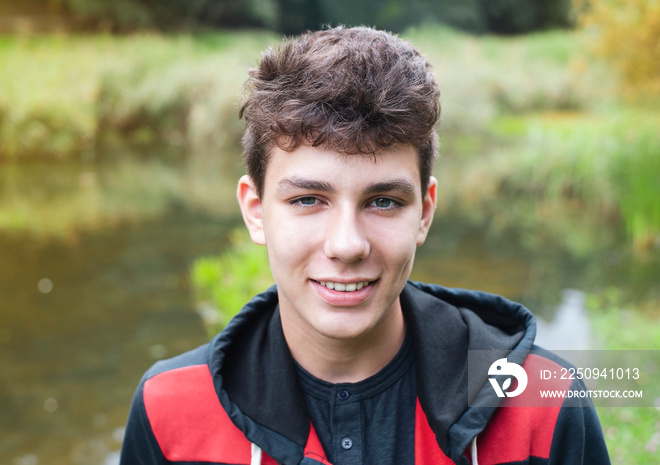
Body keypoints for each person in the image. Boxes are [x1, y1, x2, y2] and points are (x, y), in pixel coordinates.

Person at [120, 26, 611, 465]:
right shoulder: (169, 409)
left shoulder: (544, 403)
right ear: (255, 211)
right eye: (309, 199)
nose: (348, 245)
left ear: (424, 211)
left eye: (383, 202)